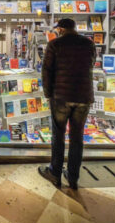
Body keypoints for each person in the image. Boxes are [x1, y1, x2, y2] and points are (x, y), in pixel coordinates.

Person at [38, 18, 96, 190]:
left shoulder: (55, 45)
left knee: (58, 135)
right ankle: (73, 177)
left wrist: (48, 94)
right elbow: (91, 64)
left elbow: (46, 70)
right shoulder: (89, 44)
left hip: (61, 96)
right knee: (77, 138)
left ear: (61, 29)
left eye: (58, 30)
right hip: (84, 96)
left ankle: (55, 172)